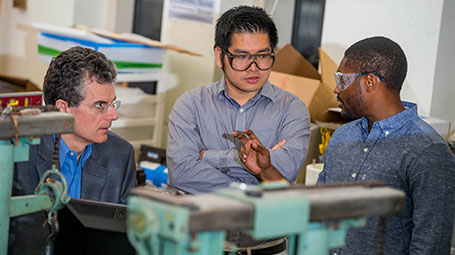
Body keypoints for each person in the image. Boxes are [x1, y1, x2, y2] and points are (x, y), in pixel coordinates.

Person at [167, 5, 311, 254]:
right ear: (220, 55)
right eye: (242, 56)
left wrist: (207, 157)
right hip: (200, 246)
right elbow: (181, 172)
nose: (254, 67)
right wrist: (258, 174)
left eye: (263, 56)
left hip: (268, 248)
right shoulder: (190, 105)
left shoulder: (293, 109)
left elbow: (284, 173)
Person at [317, 36, 455, 255]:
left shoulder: (428, 151)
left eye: (343, 80)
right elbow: (317, 210)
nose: (336, 89)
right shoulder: (342, 136)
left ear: (370, 82)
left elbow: (431, 245)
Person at [9, 46, 137, 255]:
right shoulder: (17, 153)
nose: (113, 115)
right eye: (100, 105)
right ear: (62, 108)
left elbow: (127, 239)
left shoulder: (120, 155)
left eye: (113, 104)